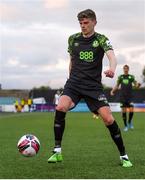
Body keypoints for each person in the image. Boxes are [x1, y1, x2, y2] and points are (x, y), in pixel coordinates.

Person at [48, 9, 132, 167]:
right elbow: (71, 61)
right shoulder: (72, 39)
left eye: (86, 23)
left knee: (108, 119)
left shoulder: (101, 39)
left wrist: (112, 69)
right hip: (74, 84)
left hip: (93, 87)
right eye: (81, 23)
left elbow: (112, 56)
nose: (83, 26)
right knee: (60, 106)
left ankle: (124, 155)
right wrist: (70, 78)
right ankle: (57, 150)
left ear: (94, 22)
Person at [110, 64, 140, 131]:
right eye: (124, 68)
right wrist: (112, 91)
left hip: (130, 97)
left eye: (126, 68)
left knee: (131, 110)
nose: (125, 70)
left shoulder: (131, 77)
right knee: (124, 112)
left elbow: (136, 85)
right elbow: (117, 86)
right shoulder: (121, 77)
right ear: (123, 69)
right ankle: (126, 126)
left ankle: (129, 122)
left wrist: (138, 85)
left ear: (128, 69)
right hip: (123, 97)